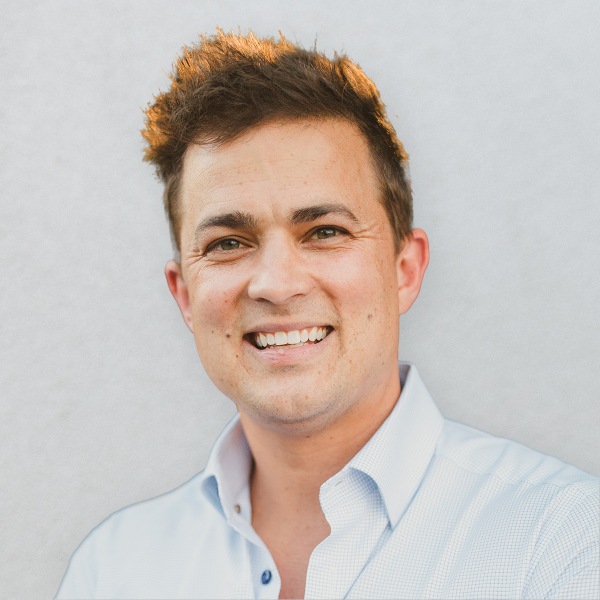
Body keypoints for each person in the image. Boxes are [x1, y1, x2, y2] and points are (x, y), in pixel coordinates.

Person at [56, 31, 599, 599]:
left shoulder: (564, 544)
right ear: (185, 296)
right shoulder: (113, 570)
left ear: (405, 269)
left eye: (325, 232)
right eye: (228, 243)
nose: (276, 284)